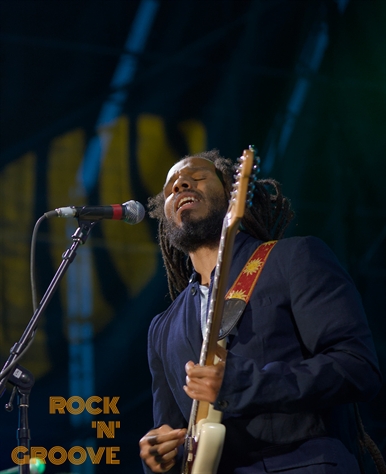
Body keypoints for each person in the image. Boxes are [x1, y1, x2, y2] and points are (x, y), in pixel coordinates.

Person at [139, 149, 382, 473]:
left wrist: (240, 384)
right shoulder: (162, 329)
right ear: (165, 218)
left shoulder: (293, 259)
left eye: (197, 177)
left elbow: (357, 367)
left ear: (232, 191)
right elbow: (176, 432)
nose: (181, 185)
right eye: (170, 189)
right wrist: (161, 455)